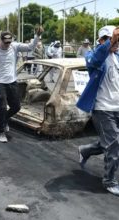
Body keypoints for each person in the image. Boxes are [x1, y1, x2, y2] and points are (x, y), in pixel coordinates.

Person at [0, 26, 44, 143]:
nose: (7, 45)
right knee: (1, 108)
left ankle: (4, 119)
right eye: (5, 43)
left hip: (12, 82)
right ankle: (1, 132)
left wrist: (37, 35)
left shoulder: (14, 46)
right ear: (1, 40)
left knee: (16, 107)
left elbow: (30, 47)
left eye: (9, 42)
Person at [76, 25, 119, 196]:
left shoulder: (117, 56)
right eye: (108, 39)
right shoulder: (93, 56)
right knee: (114, 144)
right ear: (101, 40)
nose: (115, 43)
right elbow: (96, 59)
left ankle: (85, 150)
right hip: (103, 109)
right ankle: (109, 181)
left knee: (112, 142)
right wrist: (111, 41)